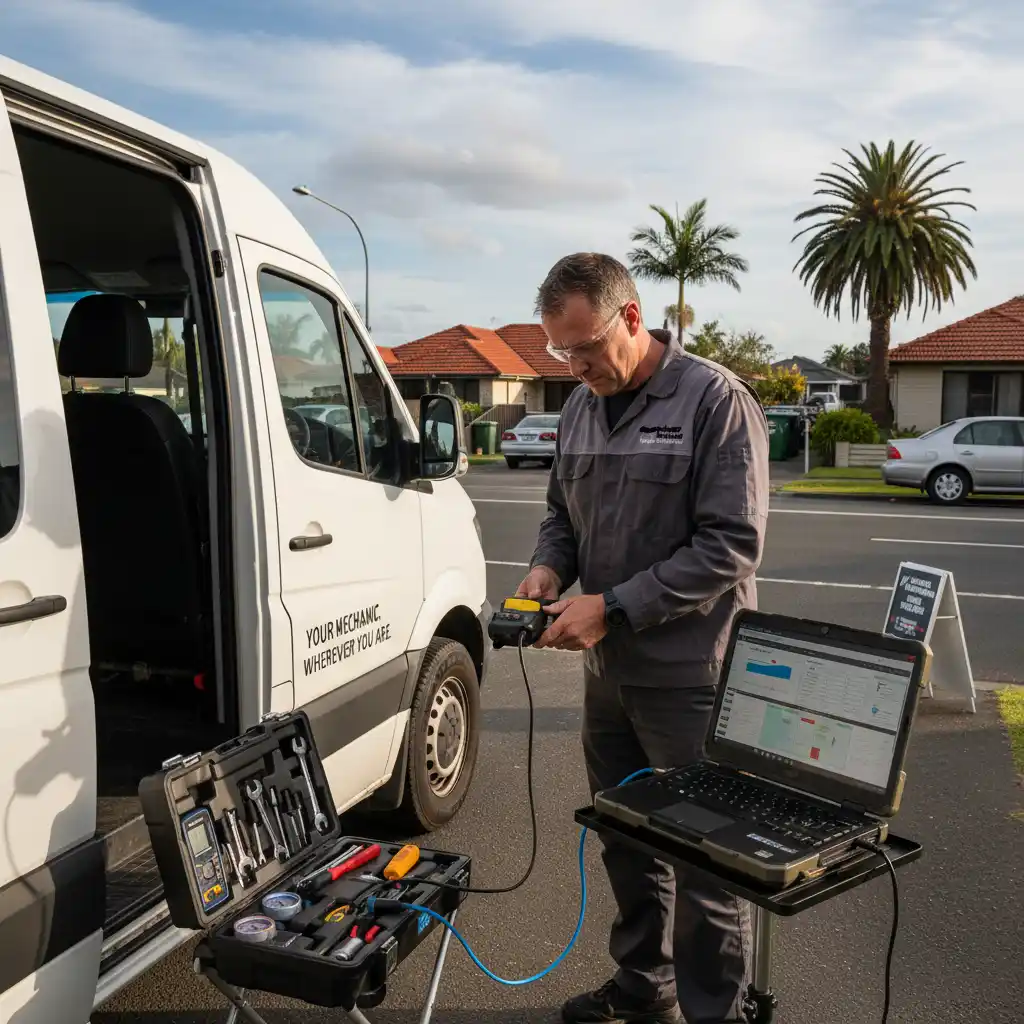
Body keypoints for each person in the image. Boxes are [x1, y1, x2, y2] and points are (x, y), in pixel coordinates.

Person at [517, 253, 769, 1024]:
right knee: (627, 841)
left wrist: (613, 606)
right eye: (562, 351)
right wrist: (546, 568)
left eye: (586, 346)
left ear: (632, 317)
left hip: (691, 676)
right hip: (608, 673)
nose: (577, 365)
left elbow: (731, 544)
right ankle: (642, 989)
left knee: (706, 862)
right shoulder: (580, 408)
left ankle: (711, 1014)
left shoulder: (713, 400)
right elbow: (563, 514)